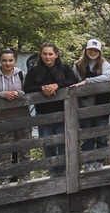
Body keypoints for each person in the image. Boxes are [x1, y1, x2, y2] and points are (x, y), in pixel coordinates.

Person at [22, 42, 79, 176]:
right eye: (44, 54)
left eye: (50, 54)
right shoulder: (34, 71)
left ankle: (65, 170)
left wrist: (56, 86)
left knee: (62, 142)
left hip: (62, 112)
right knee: (48, 143)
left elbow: (73, 81)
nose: (47, 57)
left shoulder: (64, 69)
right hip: (43, 113)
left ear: (56, 55)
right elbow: (27, 88)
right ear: (40, 55)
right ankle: (53, 171)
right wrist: (42, 88)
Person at [0, 48, 31, 174]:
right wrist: (2, 94)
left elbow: (30, 92)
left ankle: (25, 178)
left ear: (15, 60)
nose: (7, 63)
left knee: (24, 150)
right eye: (4, 60)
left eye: (10, 60)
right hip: (2, 119)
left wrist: (18, 93)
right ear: (0, 61)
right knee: (4, 152)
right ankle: (5, 180)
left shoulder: (23, 75)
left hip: (23, 117)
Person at [71, 41, 110, 172]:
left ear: (99, 51)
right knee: (87, 136)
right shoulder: (78, 65)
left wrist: (87, 81)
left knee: (101, 135)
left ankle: (100, 161)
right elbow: (75, 82)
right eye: (90, 49)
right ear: (86, 50)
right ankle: (87, 162)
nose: (93, 52)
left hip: (102, 104)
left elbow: (107, 77)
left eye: (96, 50)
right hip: (85, 106)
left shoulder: (104, 64)